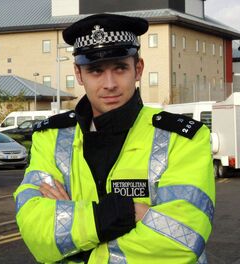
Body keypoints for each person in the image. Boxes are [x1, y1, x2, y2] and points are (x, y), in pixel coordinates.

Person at [14, 13, 215, 263]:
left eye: (120, 67)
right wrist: (127, 213)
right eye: (95, 70)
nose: (109, 84)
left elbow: (183, 238)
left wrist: (79, 244)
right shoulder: (51, 137)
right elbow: (36, 230)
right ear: (78, 74)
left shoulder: (183, 138)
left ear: (138, 69)